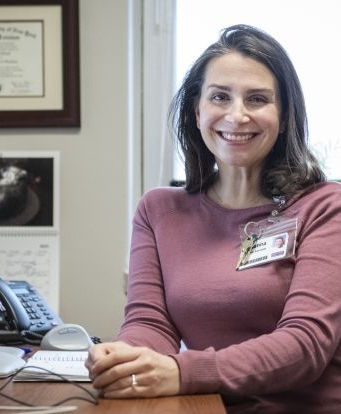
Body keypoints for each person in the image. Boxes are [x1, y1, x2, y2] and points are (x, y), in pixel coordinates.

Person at [85, 24, 341, 413]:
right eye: (220, 97)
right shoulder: (158, 210)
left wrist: (182, 372)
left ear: (285, 116)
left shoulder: (325, 207)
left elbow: (304, 344)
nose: (236, 116)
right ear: (197, 110)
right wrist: (124, 359)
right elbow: (150, 323)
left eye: (257, 99)